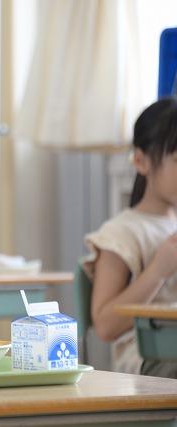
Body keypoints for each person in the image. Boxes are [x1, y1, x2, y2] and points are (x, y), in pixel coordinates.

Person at [83, 97, 177, 378]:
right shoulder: (121, 233)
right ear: (140, 160)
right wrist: (158, 271)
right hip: (150, 359)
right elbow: (106, 325)